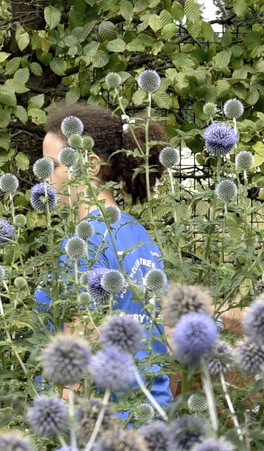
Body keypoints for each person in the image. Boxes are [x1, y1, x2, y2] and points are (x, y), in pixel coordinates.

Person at [33, 101, 173, 411]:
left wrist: (62, 436)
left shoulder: (84, 243)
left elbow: (75, 361)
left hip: (102, 427)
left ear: (91, 164)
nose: (44, 179)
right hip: (152, 413)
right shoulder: (139, 235)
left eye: (52, 166)